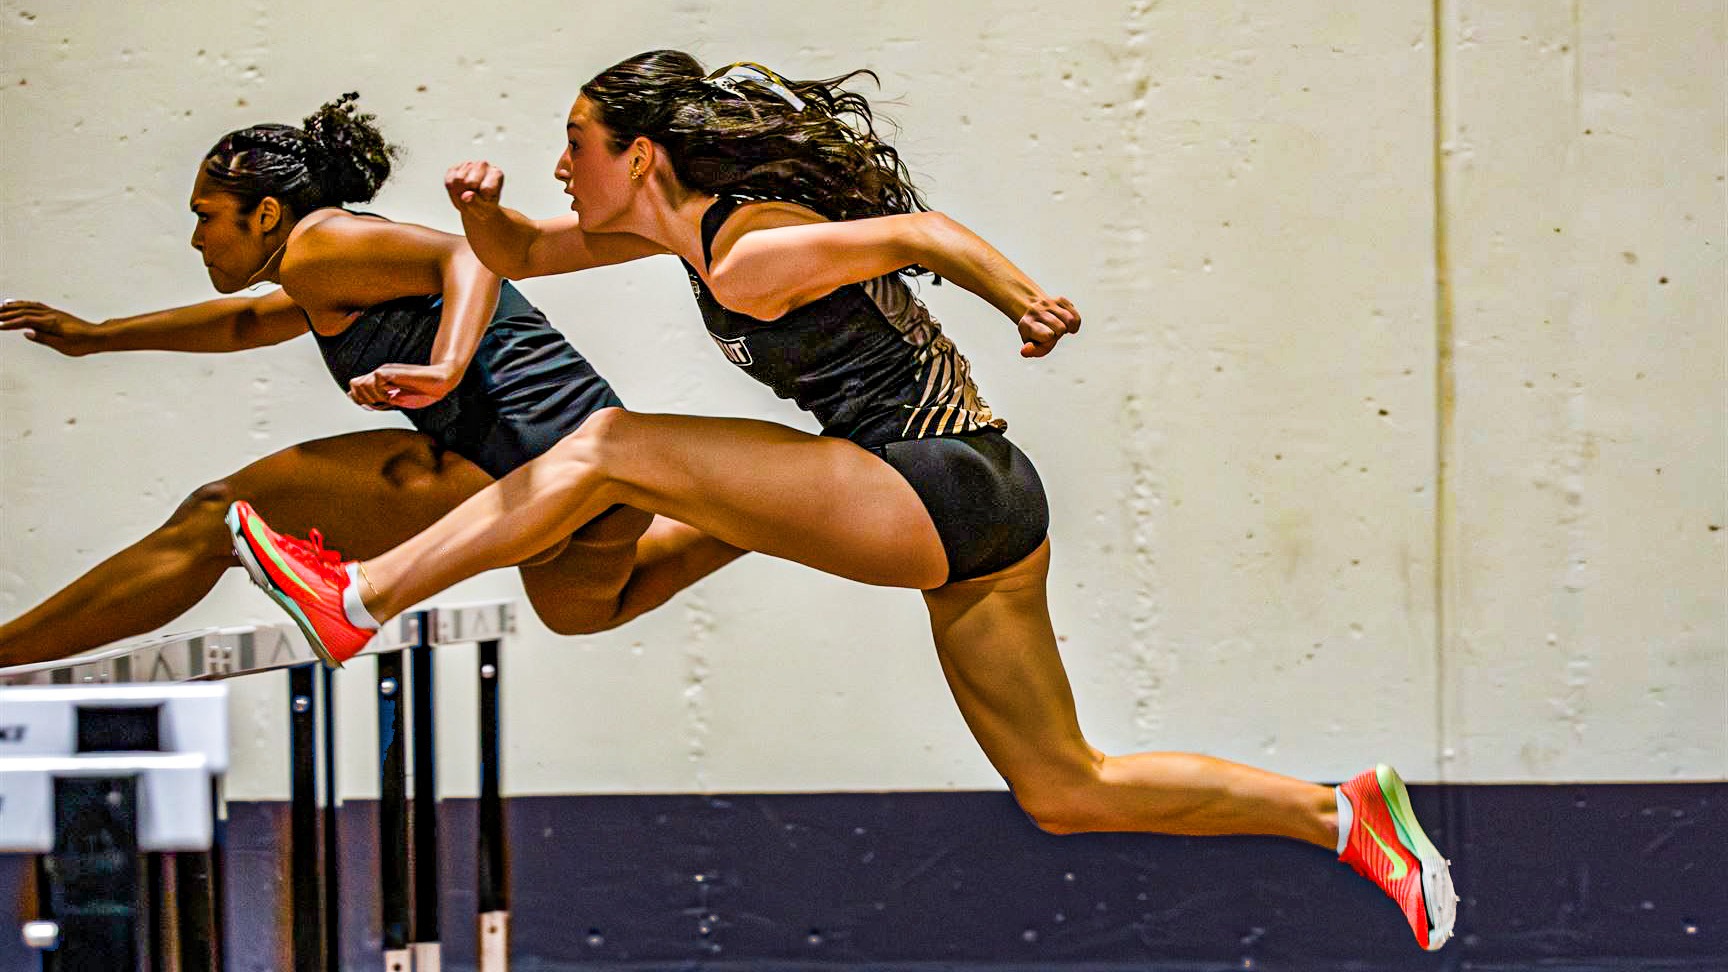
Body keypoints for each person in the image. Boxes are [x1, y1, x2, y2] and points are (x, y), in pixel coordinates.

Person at [230, 55, 1456, 949]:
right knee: (1065, 786)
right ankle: (1340, 816)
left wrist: (1023, 299)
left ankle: (364, 596)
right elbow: (525, 256)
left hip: (928, 481)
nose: (562, 165)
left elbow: (921, 230)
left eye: (576, 143)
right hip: (985, 507)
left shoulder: (751, 251)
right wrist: (482, 212)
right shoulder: (681, 237)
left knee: (606, 446)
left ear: (638, 155)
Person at [0, 92, 741, 668]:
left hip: (520, 461)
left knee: (219, 516)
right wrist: (98, 339)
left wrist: (446, 364)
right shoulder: (321, 270)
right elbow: (245, 325)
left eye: (205, 217)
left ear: (265, 213)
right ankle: (759, 514)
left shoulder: (319, 247)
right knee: (582, 610)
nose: (196, 238)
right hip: (591, 490)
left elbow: (473, 255)